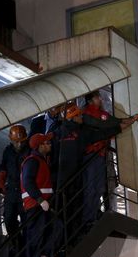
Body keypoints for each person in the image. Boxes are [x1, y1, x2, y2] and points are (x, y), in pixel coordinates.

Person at [56, 101, 134, 236]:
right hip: (71, 178)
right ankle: (82, 227)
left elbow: (100, 133)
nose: (81, 117)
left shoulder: (59, 133)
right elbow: (99, 134)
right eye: (78, 115)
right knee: (82, 199)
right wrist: (119, 127)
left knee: (74, 204)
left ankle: (79, 229)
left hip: (65, 178)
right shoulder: (77, 133)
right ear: (72, 117)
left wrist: (119, 127)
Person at [81, 91, 125, 227]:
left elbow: (109, 121)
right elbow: (104, 125)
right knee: (91, 188)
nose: (100, 99)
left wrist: (122, 122)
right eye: (97, 97)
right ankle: (89, 218)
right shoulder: (86, 114)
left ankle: (95, 214)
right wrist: (120, 125)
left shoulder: (101, 113)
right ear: (90, 100)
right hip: (91, 155)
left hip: (100, 154)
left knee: (99, 187)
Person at [20, 133, 60, 257]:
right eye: (47, 143)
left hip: (43, 204)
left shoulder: (41, 160)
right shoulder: (32, 161)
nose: (50, 144)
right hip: (35, 205)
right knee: (36, 235)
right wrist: (40, 199)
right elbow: (27, 181)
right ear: (39, 146)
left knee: (56, 227)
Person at [0, 124, 30, 255]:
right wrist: (0, 179)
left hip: (24, 190)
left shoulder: (30, 150)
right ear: (11, 140)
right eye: (16, 142)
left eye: (21, 142)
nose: (19, 144)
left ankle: (27, 247)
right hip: (11, 191)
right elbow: (3, 166)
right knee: (8, 217)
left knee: (26, 219)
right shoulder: (8, 151)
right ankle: (17, 243)